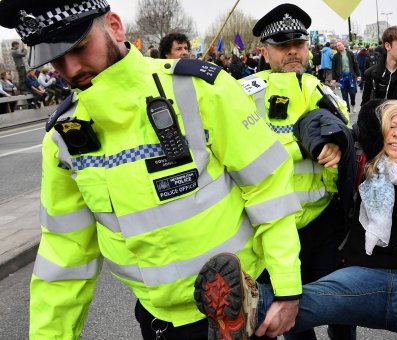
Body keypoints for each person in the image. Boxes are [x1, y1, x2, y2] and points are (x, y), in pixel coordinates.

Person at [0, 1, 303, 339]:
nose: (70, 68)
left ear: (115, 27)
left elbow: (268, 189)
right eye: (56, 59)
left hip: (237, 314)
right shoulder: (64, 137)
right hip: (157, 323)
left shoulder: (199, 90)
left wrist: (287, 289)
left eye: (80, 47)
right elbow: (65, 254)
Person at [194, 100, 397, 340]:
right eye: (391, 127)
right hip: (362, 283)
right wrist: (327, 139)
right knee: (307, 299)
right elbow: (313, 118)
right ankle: (240, 312)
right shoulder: (363, 165)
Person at [206, 4, 355, 340]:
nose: (292, 52)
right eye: (282, 46)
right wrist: (301, 148)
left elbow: (346, 147)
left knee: (343, 310)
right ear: (265, 51)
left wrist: (341, 146)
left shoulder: (325, 93)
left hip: (325, 223)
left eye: (298, 44)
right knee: (292, 318)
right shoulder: (242, 97)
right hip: (274, 226)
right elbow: (242, 160)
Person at [331, 41, 360, 112]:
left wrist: (358, 75)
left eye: (340, 45)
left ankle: (353, 104)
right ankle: (347, 110)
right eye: (337, 46)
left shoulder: (350, 54)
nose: (339, 46)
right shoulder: (335, 56)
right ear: (337, 48)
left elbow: (355, 64)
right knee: (344, 95)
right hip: (341, 78)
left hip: (351, 76)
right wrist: (334, 78)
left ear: (343, 45)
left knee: (353, 92)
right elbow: (333, 67)